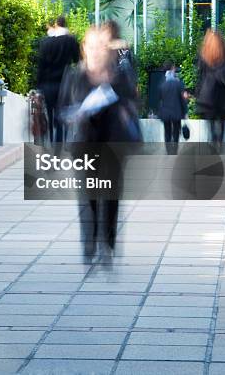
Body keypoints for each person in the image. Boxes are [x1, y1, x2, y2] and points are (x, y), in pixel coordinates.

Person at [58, 26, 140, 264]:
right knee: (88, 196)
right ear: (84, 48)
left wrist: (124, 109)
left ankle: (109, 243)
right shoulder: (74, 76)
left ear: (107, 50)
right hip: (84, 146)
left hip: (113, 146)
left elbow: (133, 102)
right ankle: (90, 242)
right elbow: (63, 109)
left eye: (100, 47)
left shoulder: (119, 76)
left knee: (111, 196)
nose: (95, 52)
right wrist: (75, 114)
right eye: (90, 46)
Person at [37, 15, 80, 143]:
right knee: (62, 115)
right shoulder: (70, 40)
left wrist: (38, 86)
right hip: (64, 83)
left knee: (49, 113)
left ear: (55, 25)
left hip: (47, 84)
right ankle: (59, 145)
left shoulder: (45, 42)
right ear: (65, 24)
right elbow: (77, 60)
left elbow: (41, 65)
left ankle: (50, 141)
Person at [196, 29, 225, 149]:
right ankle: (220, 141)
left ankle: (213, 139)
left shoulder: (204, 55)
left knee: (210, 121)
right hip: (223, 94)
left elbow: (200, 76)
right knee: (222, 119)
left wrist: (197, 93)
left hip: (207, 95)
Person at [158, 62, 188, 154]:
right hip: (176, 112)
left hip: (166, 113)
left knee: (167, 131)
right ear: (172, 69)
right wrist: (185, 112)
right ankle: (174, 151)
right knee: (176, 131)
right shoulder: (178, 83)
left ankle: (168, 151)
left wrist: (159, 112)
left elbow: (159, 100)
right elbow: (182, 100)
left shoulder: (162, 84)